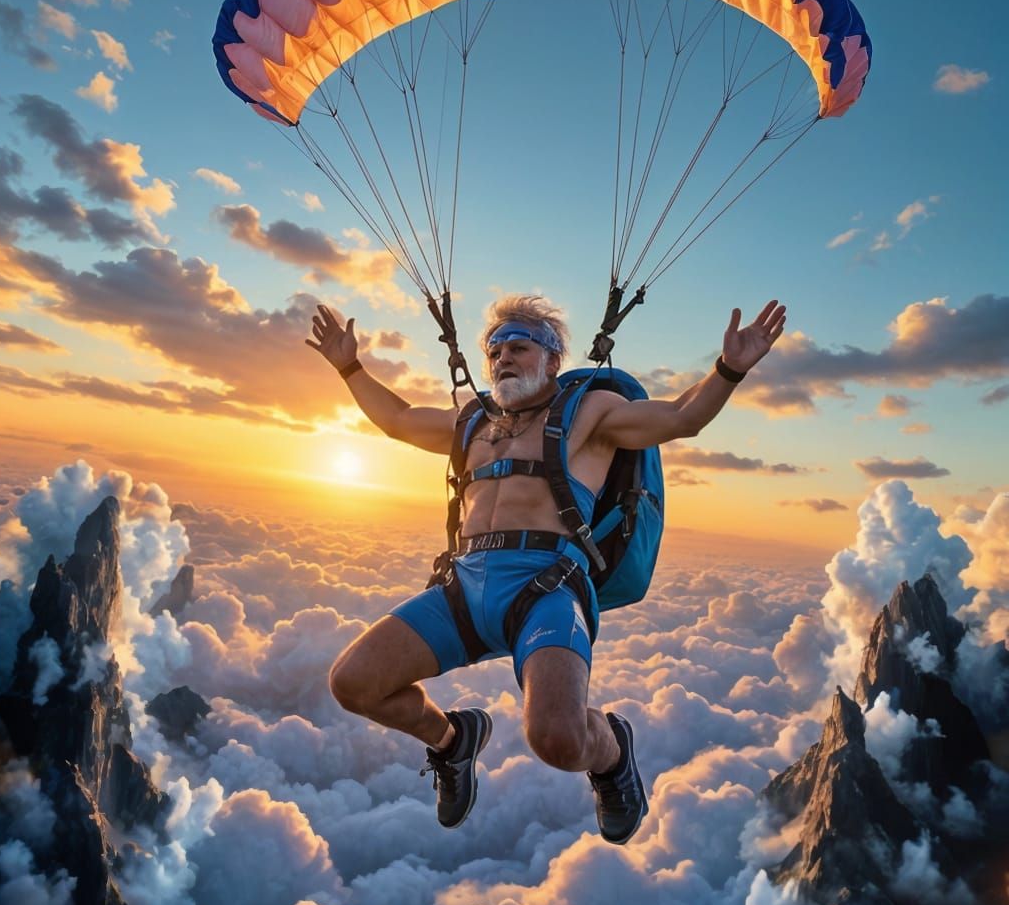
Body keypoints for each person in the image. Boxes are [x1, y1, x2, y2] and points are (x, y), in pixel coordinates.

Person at [307, 294, 785, 844]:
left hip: (546, 589)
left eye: (518, 346)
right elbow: (397, 420)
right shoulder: (471, 424)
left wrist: (729, 369)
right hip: (464, 587)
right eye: (495, 351)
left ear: (552, 359)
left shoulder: (590, 413)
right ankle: (452, 741)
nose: (502, 358)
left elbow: (681, 418)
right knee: (354, 683)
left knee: (557, 738)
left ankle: (611, 754)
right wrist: (349, 366)